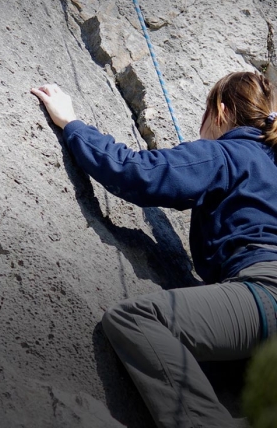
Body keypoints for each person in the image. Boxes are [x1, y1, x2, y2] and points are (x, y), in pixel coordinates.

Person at [31, 72, 277, 428]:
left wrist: (71, 123)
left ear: (220, 111)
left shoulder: (230, 153)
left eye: (204, 115)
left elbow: (140, 172)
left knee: (135, 319)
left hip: (267, 292)